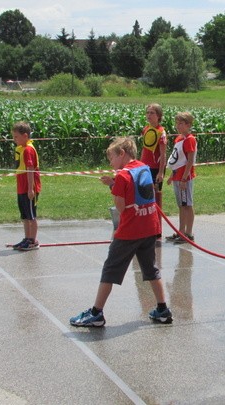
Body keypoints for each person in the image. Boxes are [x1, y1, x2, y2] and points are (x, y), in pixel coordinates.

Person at [70, 137, 172, 327]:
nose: (110, 162)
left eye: (111, 158)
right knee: (151, 269)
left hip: (130, 230)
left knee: (110, 269)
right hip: (150, 227)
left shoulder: (123, 176)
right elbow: (134, 186)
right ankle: (162, 309)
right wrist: (114, 182)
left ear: (122, 154)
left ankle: (96, 313)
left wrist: (114, 186)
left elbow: (121, 207)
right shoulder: (143, 167)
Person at [165, 112, 197, 244]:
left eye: (181, 123)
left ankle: (188, 233)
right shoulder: (178, 139)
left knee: (187, 205)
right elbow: (176, 159)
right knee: (181, 205)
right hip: (177, 176)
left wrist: (184, 179)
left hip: (185, 177)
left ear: (188, 125)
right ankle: (180, 231)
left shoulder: (190, 139)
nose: (178, 126)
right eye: (177, 123)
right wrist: (172, 175)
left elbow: (189, 161)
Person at [10, 121, 41, 251]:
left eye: (16, 137)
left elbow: (30, 169)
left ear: (25, 136)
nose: (14, 139)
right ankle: (27, 238)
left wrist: (30, 189)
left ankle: (33, 241)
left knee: (31, 216)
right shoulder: (21, 149)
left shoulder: (28, 150)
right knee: (24, 216)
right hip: (21, 186)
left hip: (29, 187)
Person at [141, 104, 168, 228]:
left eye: (152, 113)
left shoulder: (161, 132)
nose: (149, 115)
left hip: (155, 169)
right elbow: (144, 149)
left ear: (158, 116)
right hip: (145, 168)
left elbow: (163, 154)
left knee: (155, 199)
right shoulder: (146, 129)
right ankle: (147, 226)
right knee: (144, 198)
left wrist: (161, 172)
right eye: (148, 112)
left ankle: (156, 228)